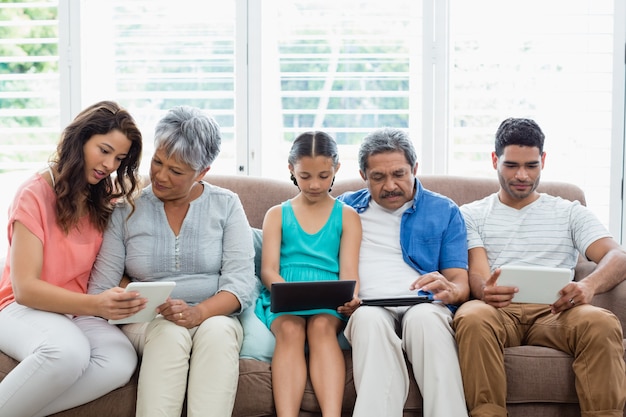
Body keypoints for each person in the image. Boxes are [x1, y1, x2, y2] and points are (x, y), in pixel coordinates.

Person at [88, 105, 257, 417]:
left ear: (202, 172)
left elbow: (241, 285)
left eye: (176, 171)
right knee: (168, 332)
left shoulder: (227, 205)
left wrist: (198, 313)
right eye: (157, 162)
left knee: (219, 332)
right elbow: (101, 286)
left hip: (213, 316)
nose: (161, 176)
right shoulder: (126, 209)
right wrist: (135, 295)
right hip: (148, 323)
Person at [453, 117, 626, 417]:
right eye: (511, 165)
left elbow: (617, 257)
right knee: (471, 317)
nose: (522, 175)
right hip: (498, 312)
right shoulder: (470, 214)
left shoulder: (569, 211)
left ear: (543, 160)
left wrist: (589, 285)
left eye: (531, 165)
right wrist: (484, 291)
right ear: (495, 160)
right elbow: (478, 273)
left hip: (558, 312)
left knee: (602, 322)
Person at [0, 100, 144, 416]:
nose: (109, 164)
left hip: (75, 310)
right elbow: (24, 288)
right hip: (21, 307)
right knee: (67, 353)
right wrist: (96, 305)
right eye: (103, 150)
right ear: (80, 140)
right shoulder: (33, 193)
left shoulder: (103, 196)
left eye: (119, 158)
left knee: (120, 360)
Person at [336, 127, 470, 417]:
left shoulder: (444, 210)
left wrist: (452, 289)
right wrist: (342, 295)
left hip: (424, 304)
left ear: (415, 169)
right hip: (367, 305)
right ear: (363, 176)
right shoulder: (344, 208)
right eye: (378, 177)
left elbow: (460, 281)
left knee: (427, 323)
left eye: (399, 174)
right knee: (369, 323)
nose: (390, 186)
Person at [254, 131, 362, 417]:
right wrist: (286, 291)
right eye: (305, 176)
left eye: (324, 176)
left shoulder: (347, 215)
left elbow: (349, 270)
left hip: (328, 297)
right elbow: (268, 269)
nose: (315, 184)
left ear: (337, 169)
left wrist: (352, 297)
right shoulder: (276, 214)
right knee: (290, 330)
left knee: (321, 328)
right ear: (291, 169)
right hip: (284, 292)